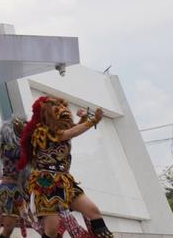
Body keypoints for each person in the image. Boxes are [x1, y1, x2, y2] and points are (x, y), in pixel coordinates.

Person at [19, 96, 109, 238]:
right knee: (52, 230)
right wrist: (92, 121)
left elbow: (71, 131)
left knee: (93, 211)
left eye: (61, 106)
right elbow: (69, 133)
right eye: (56, 106)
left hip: (65, 181)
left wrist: (84, 119)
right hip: (46, 183)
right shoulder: (42, 132)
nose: (62, 109)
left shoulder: (59, 130)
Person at [0, 118, 30, 238]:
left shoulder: (25, 146)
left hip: (22, 188)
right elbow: (19, 154)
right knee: (9, 226)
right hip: (9, 188)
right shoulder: (8, 147)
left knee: (11, 227)